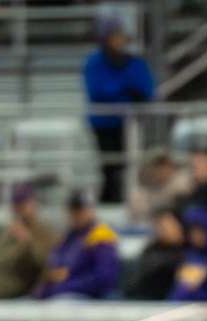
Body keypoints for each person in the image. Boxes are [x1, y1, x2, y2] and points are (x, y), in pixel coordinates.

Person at [83, 17, 155, 204]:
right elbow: (98, 92)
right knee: (110, 167)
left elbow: (146, 90)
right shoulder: (95, 63)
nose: (119, 39)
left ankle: (129, 200)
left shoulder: (133, 61)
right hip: (105, 125)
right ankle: (110, 202)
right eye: (115, 35)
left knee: (129, 165)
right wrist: (126, 90)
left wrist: (124, 91)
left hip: (130, 124)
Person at [0, 182, 57, 300]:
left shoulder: (45, 233)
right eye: (16, 203)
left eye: (24, 202)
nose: (20, 207)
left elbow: (46, 264)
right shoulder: (7, 231)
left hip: (19, 295)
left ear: (33, 203)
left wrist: (27, 242)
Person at [34, 189, 119, 300]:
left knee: (58, 305)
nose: (77, 213)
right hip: (63, 292)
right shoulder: (71, 237)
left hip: (89, 297)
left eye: (81, 209)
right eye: (74, 208)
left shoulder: (100, 234)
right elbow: (55, 268)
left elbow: (104, 279)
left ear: (90, 209)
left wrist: (66, 285)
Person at [168, 207, 207, 303]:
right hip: (180, 308)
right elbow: (174, 292)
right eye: (192, 232)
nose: (196, 236)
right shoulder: (182, 254)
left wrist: (192, 290)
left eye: (200, 231)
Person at [125, 208, 187, 300]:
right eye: (160, 226)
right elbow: (135, 282)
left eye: (168, 225)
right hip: (145, 299)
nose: (164, 230)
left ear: (178, 225)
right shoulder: (151, 251)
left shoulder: (190, 252)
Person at [129, 150, 190, 225]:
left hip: (176, 225)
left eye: (164, 165)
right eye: (158, 165)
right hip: (150, 224)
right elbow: (138, 214)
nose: (162, 169)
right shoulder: (144, 184)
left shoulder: (181, 181)